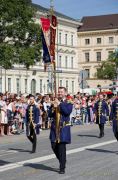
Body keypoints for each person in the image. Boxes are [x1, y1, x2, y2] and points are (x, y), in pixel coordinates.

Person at [49, 87, 73, 174]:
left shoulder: (68, 102)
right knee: (53, 146)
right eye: (58, 92)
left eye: (61, 92)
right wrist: (52, 107)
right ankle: (62, 160)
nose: (59, 93)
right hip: (54, 128)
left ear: (65, 93)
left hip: (63, 129)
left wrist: (59, 104)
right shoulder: (54, 102)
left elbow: (67, 112)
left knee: (62, 148)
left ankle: (62, 167)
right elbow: (49, 115)